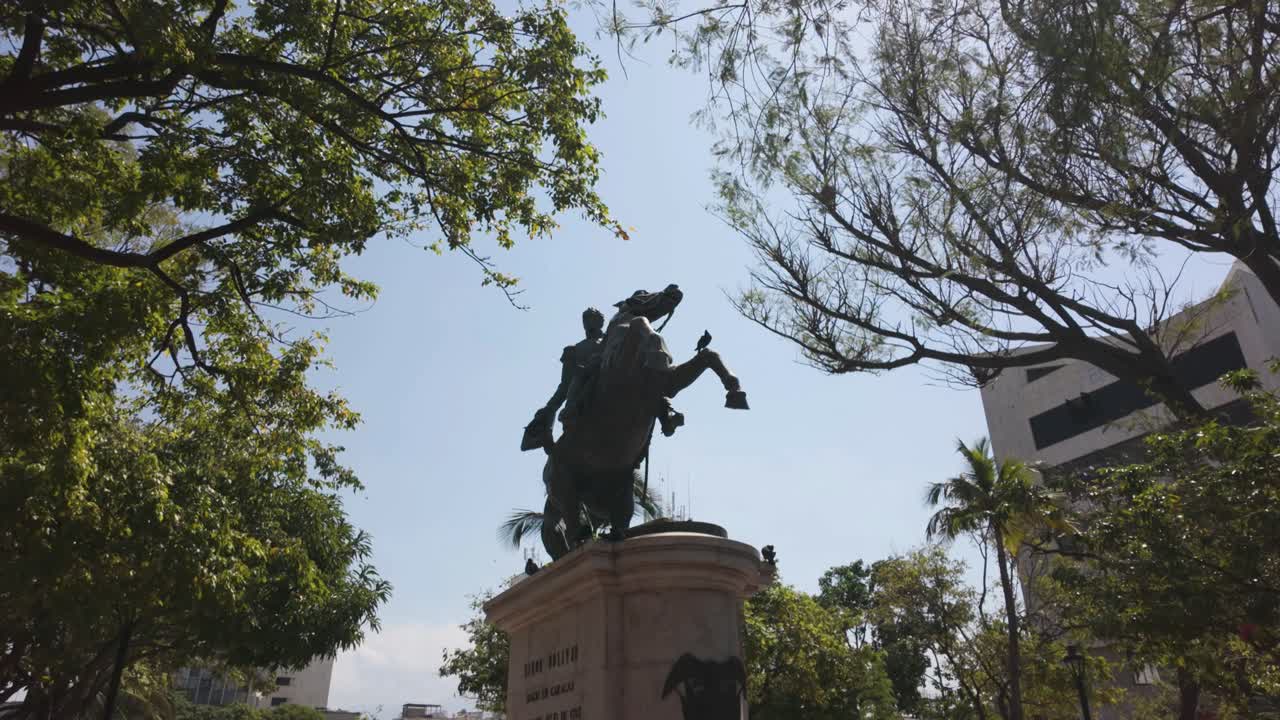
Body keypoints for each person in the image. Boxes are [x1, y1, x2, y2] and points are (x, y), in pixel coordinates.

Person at [520, 308, 605, 453]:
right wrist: (549, 408)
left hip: (605, 383)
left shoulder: (611, 340)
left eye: (592, 318)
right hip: (581, 389)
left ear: (601, 322)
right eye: (585, 319)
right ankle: (545, 436)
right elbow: (565, 385)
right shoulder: (573, 350)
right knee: (566, 398)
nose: (588, 322)